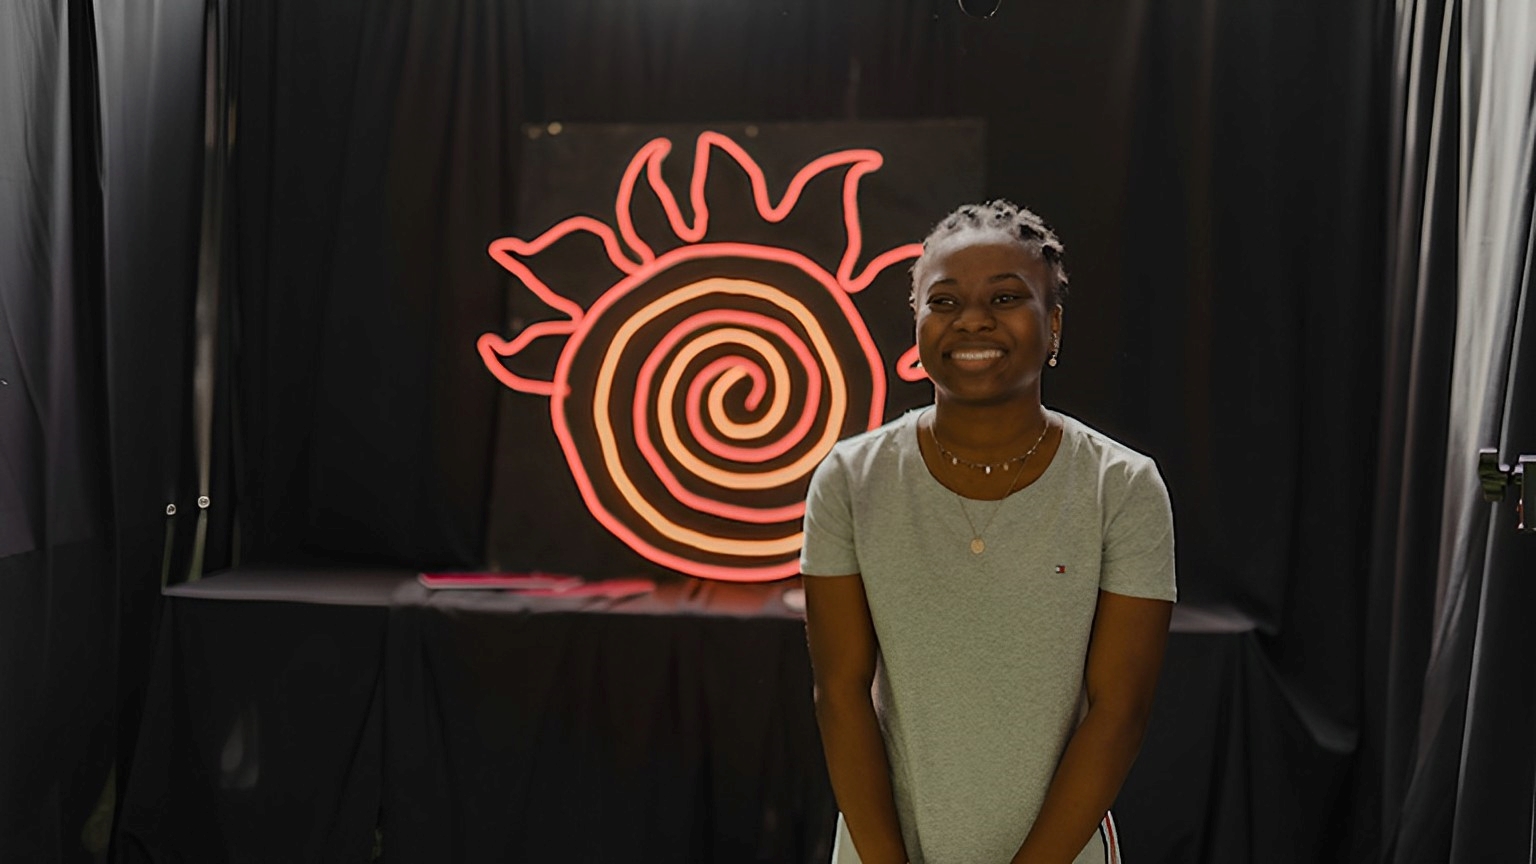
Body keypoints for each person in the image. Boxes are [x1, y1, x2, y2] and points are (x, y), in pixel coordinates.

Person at [800, 201, 1176, 864]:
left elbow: (1119, 714)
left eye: (1006, 296)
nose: (972, 318)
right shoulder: (850, 480)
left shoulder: (1122, 487)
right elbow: (841, 694)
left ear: (1053, 326)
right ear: (916, 325)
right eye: (943, 301)